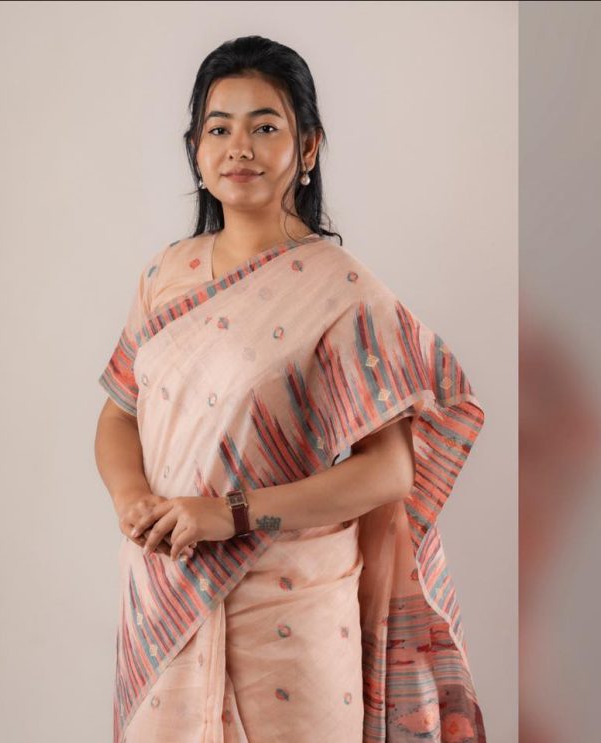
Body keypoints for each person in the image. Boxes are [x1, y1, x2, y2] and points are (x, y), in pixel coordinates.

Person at [95, 35, 487, 743]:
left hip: (289, 618)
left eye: (265, 127)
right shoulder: (164, 276)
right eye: (219, 129)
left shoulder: (344, 294)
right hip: (164, 597)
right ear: (195, 149)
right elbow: (119, 414)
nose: (238, 148)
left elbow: (390, 470)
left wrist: (228, 514)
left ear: (307, 148)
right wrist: (134, 501)